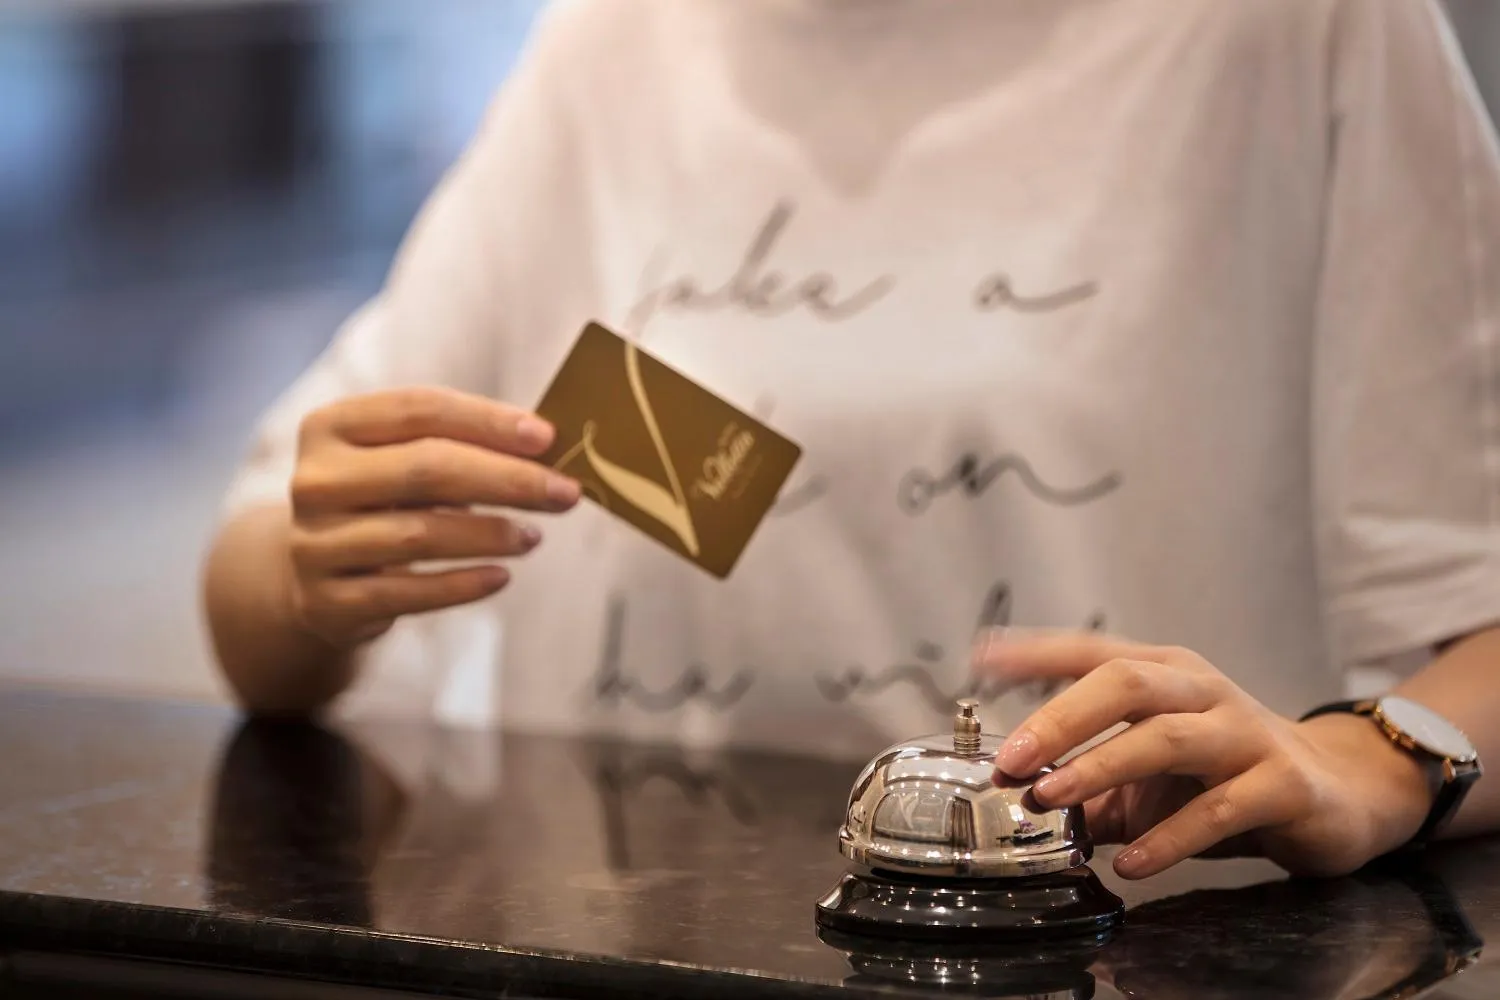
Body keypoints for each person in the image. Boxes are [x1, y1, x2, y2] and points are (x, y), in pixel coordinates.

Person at [203, 0, 1500, 880]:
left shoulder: (1301, 29)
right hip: (621, 947)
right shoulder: (621, 41)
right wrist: (316, 582)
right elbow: (264, 594)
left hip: (1117, 950)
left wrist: (1367, 764)